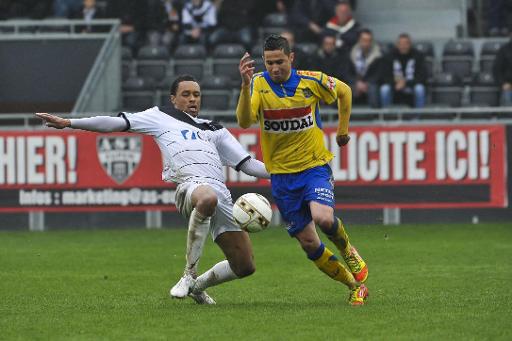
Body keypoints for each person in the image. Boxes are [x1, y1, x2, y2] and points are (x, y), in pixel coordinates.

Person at [36, 75, 270, 305]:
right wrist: (70, 123)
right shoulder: (160, 117)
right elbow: (116, 123)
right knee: (207, 197)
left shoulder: (215, 129)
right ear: (173, 99)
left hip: (222, 195)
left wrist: (286, 171)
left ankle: (197, 288)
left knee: (244, 266)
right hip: (189, 187)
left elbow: (247, 164)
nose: (192, 99)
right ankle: (189, 274)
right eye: (186, 94)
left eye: (196, 95)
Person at [236, 35, 369, 305]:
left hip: (313, 166)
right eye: (269, 62)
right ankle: (354, 286)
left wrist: (343, 131)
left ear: (291, 58)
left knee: (322, 218)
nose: (274, 68)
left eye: (280, 62)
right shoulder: (258, 84)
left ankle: (347, 248)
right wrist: (245, 84)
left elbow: (344, 91)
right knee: (309, 243)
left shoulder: (312, 81)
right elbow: (245, 121)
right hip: (282, 178)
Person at [378, 33, 427, 108]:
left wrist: (406, 83)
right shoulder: (389, 56)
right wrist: (395, 83)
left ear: (410, 44)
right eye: (401, 44)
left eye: (406, 44)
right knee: (384, 89)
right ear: (397, 45)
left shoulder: (418, 56)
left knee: (420, 89)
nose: (403, 46)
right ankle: (386, 116)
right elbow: (384, 76)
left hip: (412, 84)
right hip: (394, 85)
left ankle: (418, 117)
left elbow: (422, 76)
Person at [349, 28, 382, 107]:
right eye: (364, 40)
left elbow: (378, 74)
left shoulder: (378, 55)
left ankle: (375, 116)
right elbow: (347, 73)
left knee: (373, 89)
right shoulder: (351, 53)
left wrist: (366, 84)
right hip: (355, 82)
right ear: (359, 40)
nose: (366, 43)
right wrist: (357, 82)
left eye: (369, 40)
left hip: (371, 83)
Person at [493, 35, 512, 106]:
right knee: (507, 97)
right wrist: (503, 83)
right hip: (509, 86)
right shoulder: (504, 50)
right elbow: (496, 69)